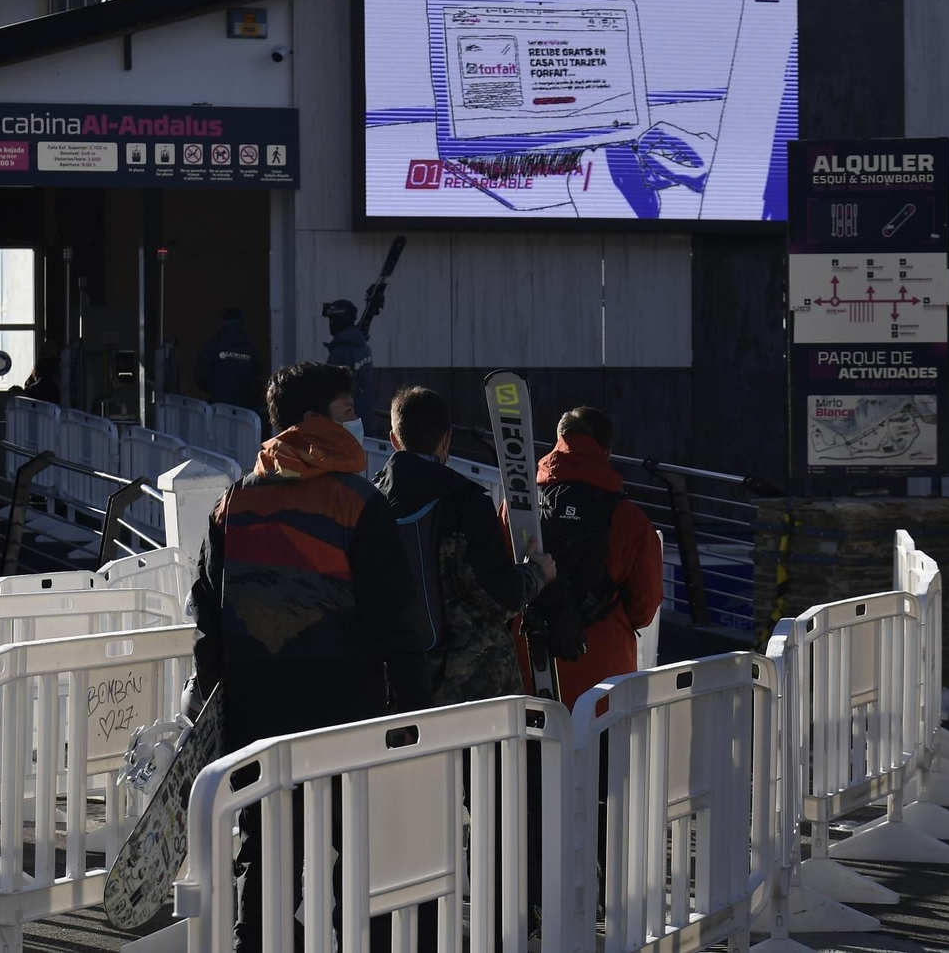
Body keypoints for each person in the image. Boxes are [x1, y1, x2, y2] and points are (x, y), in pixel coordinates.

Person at [187, 361, 431, 951]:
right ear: (316, 418)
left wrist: (208, 699)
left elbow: (207, 615)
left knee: (267, 844)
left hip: (255, 709)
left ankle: (258, 943)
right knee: (358, 845)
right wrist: (414, 711)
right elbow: (396, 619)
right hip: (345, 704)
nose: (358, 420)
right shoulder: (359, 502)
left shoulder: (234, 504)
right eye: (348, 408)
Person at [374, 385, 556, 704]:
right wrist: (537, 573)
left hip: (402, 685)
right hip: (474, 691)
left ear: (393, 439)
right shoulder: (466, 503)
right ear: (447, 438)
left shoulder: (370, 503)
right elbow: (502, 596)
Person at [522, 405, 663, 708]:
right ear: (608, 453)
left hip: (532, 663)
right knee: (602, 753)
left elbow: (499, 587)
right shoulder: (631, 519)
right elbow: (644, 608)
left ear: (558, 441)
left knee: (530, 752)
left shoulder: (519, 508)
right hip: (603, 673)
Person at [194, 307, 263, 413]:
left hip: (218, 410)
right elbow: (257, 385)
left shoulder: (212, 347)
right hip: (245, 415)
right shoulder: (252, 351)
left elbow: (202, 379)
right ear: (241, 322)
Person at [323, 299, 374, 433]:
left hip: (347, 426)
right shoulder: (363, 347)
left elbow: (331, 393)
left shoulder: (340, 354)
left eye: (332, 320)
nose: (330, 325)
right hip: (365, 420)